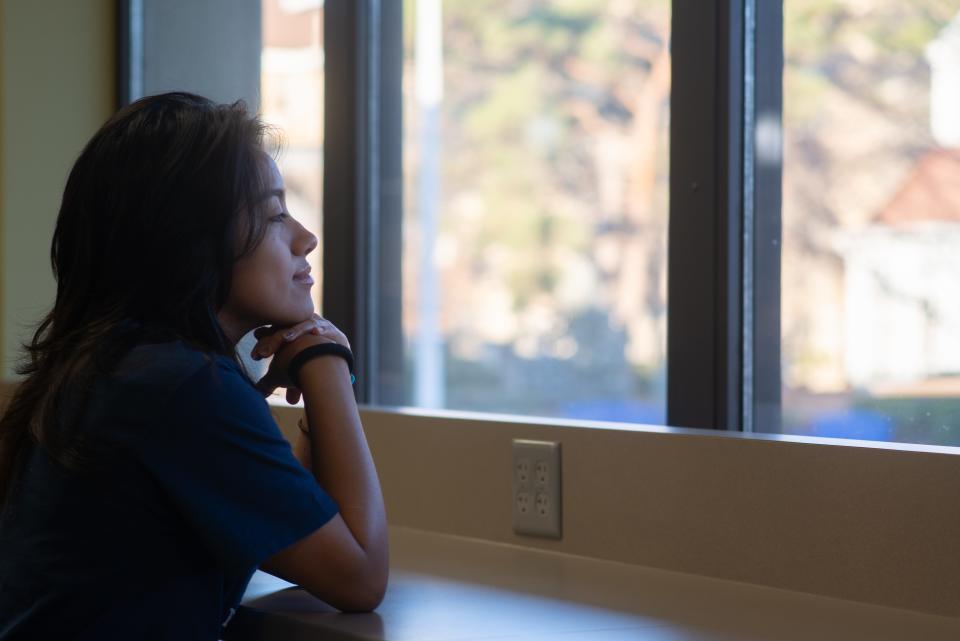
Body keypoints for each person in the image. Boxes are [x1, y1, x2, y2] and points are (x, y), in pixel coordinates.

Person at [0, 92, 388, 640]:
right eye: (276, 214)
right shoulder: (177, 385)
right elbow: (360, 576)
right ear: (190, 238)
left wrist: (319, 387)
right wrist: (328, 365)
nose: (306, 238)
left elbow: (291, 533)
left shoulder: (119, 365)